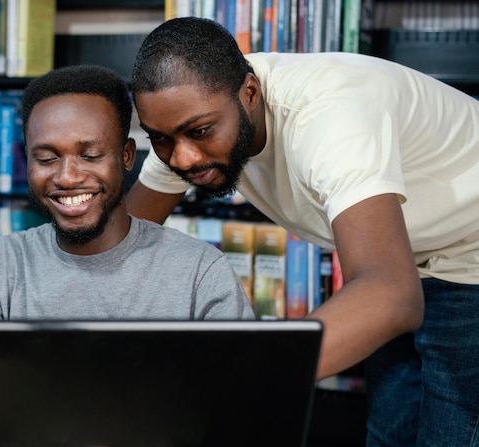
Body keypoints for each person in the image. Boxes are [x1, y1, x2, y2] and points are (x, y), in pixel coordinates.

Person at [125, 16, 479, 447]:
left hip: (470, 251)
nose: (181, 159)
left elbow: (391, 296)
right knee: (389, 434)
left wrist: (233, 375)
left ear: (250, 93)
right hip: (410, 253)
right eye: (160, 139)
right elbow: (125, 245)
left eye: (199, 132)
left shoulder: (330, 118)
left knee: (450, 435)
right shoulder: (192, 108)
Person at [0, 64, 255, 446]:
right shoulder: (1, 264)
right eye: (46, 158)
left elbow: (240, 406)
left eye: (91, 155)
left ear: (126, 155)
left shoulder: (199, 271)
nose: (67, 177)